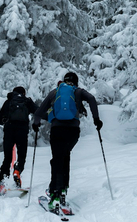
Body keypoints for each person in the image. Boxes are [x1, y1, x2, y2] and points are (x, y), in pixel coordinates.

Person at [32, 71, 102, 212]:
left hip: (57, 130)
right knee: (65, 158)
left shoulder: (55, 92)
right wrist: (96, 119)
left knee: (57, 160)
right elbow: (92, 99)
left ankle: (55, 195)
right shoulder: (78, 91)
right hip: (73, 132)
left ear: (64, 81)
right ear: (76, 81)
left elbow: (40, 110)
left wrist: (36, 123)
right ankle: (63, 190)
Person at [0, 86, 37, 194]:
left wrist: (5, 120)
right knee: (21, 156)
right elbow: (38, 111)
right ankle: (17, 171)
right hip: (22, 132)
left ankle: (3, 183)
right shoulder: (27, 101)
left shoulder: (8, 101)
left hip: (9, 131)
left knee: (7, 157)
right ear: (24, 93)